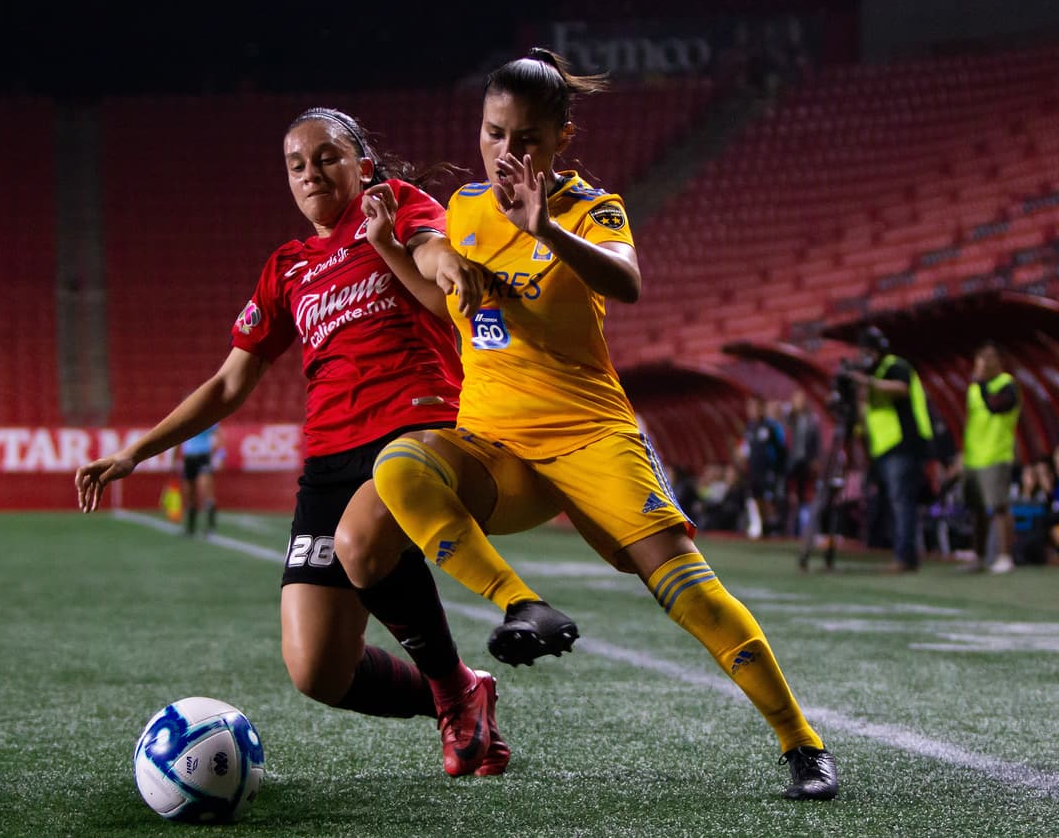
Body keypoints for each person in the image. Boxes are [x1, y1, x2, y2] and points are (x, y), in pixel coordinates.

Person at [338, 48, 837, 801]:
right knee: (399, 466)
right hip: (494, 444)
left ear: (561, 136)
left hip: (590, 435)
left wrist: (544, 227)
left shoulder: (587, 206)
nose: (508, 152)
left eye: (527, 137)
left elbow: (626, 281)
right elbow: (454, 308)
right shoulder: (467, 209)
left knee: (689, 590)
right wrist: (388, 249)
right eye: (494, 132)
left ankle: (802, 743)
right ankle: (519, 602)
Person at [74, 108, 508, 777]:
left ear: (362, 164)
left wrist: (442, 257)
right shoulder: (287, 267)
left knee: (362, 541)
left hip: (419, 430)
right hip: (329, 461)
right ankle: (461, 696)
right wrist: (137, 451)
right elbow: (227, 385)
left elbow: (430, 253)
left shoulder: (398, 209)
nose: (311, 172)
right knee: (317, 670)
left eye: (327, 156)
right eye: (296, 164)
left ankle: (452, 688)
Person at [848, 326, 932, 572]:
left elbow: (902, 388)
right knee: (896, 502)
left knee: (901, 502)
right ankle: (904, 554)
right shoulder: (874, 374)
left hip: (903, 444)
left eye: (866, 350)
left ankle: (904, 557)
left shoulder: (894, 366)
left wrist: (868, 382)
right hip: (885, 448)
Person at [958, 342, 1020, 574]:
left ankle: (1005, 556)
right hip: (974, 457)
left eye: (989, 357)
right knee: (977, 510)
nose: (983, 362)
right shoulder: (973, 389)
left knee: (999, 506)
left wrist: (982, 384)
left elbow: (996, 407)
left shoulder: (1007, 385)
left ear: (999, 361)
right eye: (980, 357)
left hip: (997, 454)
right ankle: (979, 556)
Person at [742, 396, 787, 540]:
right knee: (754, 497)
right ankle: (758, 525)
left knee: (769, 499)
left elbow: (780, 449)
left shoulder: (771, 427)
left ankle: (773, 527)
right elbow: (747, 449)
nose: (752, 411)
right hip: (754, 470)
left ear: (761, 409)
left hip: (768, 470)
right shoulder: (749, 427)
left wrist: (777, 469)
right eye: (750, 408)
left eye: (755, 407)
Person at [784, 390, 821, 536]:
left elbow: (816, 442)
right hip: (792, 462)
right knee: (790, 496)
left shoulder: (812, 420)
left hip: (806, 462)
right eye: (797, 398)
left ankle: (805, 530)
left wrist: (816, 459)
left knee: (806, 496)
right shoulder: (790, 418)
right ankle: (789, 530)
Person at [178, 422, 220, 536]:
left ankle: (210, 527)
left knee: (205, 490)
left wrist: (218, 454)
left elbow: (217, 435)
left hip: (203, 455)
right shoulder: (186, 415)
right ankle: (190, 528)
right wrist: (175, 459)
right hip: (188, 457)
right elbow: (178, 437)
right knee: (188, 492)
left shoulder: (209, 414)